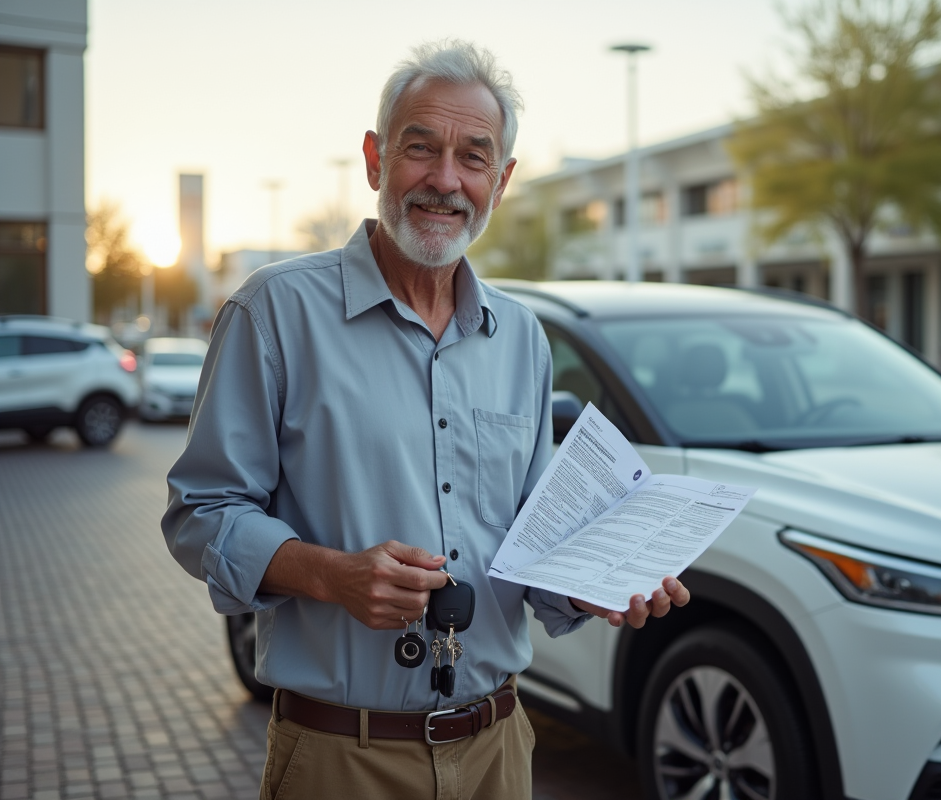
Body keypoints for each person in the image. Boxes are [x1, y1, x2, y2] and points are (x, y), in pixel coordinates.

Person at [161, 40, 690, 800]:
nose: (446, 180)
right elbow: (198, 516)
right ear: (376, 160)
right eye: (421, 148)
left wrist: (592, 584)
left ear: (500, 183)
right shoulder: (273, 312)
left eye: (474, 157)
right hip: (341, 756)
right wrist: (332, 575)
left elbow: (531, 551)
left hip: (499, 751)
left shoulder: (523, 339)